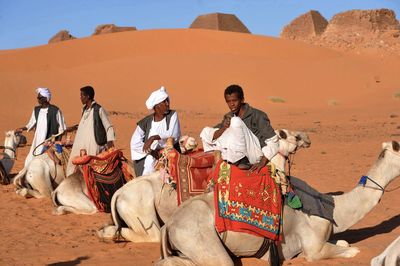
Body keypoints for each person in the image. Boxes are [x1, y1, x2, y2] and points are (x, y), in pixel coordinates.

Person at [200, 84, 279, 172]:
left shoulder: (258, 115)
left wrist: (262, 162)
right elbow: (214, 135)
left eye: (234, 100)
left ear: (242, 100)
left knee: (235, 121)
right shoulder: (228, 116)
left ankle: (242, 160)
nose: (232, 104)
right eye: (228, 101)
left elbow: (273, 141)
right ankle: (229, 158)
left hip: (254, 154)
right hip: (232, 151)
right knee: (206, 131)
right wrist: (223, 128)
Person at [130, 86, 181, 176]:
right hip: (152, 155)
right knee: (149, 163)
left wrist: (153, 138)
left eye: (167, 100)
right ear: (157, 106)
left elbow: (172, 134)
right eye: (164, 102)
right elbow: (134, 143)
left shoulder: (172, 115)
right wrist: (151, 151)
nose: (167, 104)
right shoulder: (146, 122)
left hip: (169, 152)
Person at [66, 86, 116, 177]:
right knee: (72, 166)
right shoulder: (83, 110)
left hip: (94, 144)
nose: (80, 97)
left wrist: (110, 144)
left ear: (88, 96)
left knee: (92, 169)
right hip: (81, 143)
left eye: (82, 95)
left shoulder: (99, 109)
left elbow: (108, 127)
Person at [16, 87, 67, 166]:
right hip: (37, 141)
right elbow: (31, 123)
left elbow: (62, 128)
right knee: (31, 160)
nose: (38, 99)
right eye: (38, 97)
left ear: (46, 98)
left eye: (40, 97)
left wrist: (57, 142)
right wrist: (22, 128)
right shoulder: (36, 110)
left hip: (50, 142)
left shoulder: (55, 110)